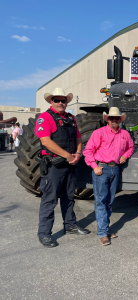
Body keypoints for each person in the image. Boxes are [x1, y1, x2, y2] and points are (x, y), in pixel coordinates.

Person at [35, 87, 90, 248]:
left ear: (66, 102)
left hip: (71, 164)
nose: (60, 103)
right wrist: (67, 155)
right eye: (57, 100)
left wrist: (78, 154)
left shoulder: (71, 118)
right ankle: (44, 234)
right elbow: (45, 141)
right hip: (53, 166)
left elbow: (78, 138)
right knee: (50, 199)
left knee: (69, 197)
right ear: (51, 102)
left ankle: (70, 225)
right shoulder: (44, 118)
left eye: (63, 100)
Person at [84, 107, 134, 246]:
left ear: (120, 119)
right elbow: (88, 151)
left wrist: (125, 155)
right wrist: (95, 167)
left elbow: (131, 147)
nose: (114, 120)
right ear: (108, 119)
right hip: (102, 169)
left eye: (117, 118)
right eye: (112, 118)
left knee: (109, 201)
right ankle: (102, 233)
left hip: (115, 169)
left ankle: (105, 229)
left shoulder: (124, 134)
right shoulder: (99, 133)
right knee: (101, 201)